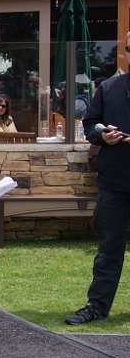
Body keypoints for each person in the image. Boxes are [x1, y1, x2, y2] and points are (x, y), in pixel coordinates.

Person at [67, 31, 130, 325]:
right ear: (125, 52)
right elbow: (90, 124)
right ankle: (97, 307)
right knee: (108, 250)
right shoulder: (108, 88)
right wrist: (103, 136)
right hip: (114, 182)